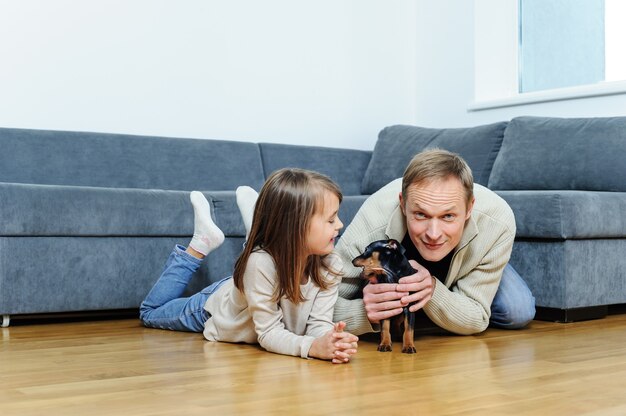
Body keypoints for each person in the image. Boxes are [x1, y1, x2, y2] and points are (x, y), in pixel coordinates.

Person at [140, 168, 359, 363]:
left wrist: (329, 341)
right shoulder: (259, 264)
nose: (340, 224)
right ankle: (200, 243)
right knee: (149, 313)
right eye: (331, 220)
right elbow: (269, 334)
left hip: (253, 282)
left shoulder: (331, 263)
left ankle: (255, 231)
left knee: (260, 260)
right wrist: (311, 347)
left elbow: (318, 323)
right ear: (295, 227)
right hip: (219, 305)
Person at [332, 148, 536, 336]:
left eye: (448, 216)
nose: (434, 234)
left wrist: (433, 291)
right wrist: (363, 311)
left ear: (470, 208)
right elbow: (314, 305)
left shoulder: (497, 220)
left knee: (517, 310)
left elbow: (476, 318)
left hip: (474, 255)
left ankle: (472, 278)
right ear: (403, 204)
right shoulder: (372, 220)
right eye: (421, 214)